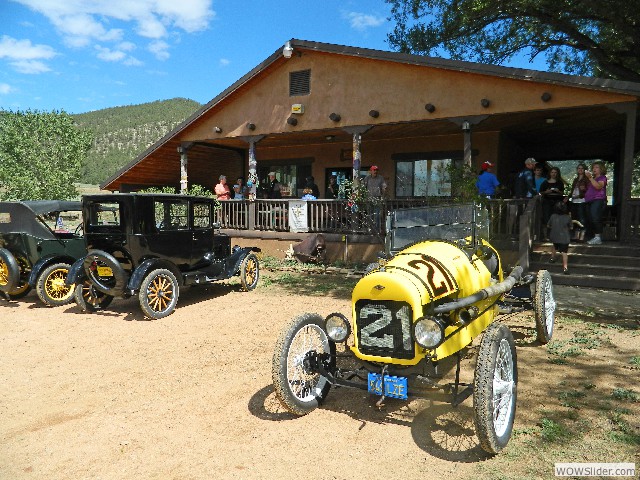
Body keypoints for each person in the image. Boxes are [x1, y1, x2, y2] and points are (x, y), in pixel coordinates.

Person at [584, 161, 608, 245]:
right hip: (589, 201)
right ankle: (594, 237)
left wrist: (590, 177)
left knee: (595, 218)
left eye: (596, 167)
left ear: (601, 169)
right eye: (593, 167)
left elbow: (598, 186)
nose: (594, 169)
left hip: (598, 200)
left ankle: (598, 238)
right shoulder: (593, 179)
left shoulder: (602, 177)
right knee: (590, 219)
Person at [547, 201, 572, 274]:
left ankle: (552, 258)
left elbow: (548, 225)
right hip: (564, 238)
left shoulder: (553, 216)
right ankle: (565, 268)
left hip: (554, 236)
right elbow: (571, 227)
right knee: (564, 252)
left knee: (554, 246)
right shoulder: (568, 217)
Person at [362, 165, 387, 233]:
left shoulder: (380, 178)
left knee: (377, 215)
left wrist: (383, 196)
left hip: (377, 199)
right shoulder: (367, 178)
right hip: (368, 199)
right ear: (371, 171)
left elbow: (384, 187)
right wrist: (363, 197)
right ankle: (370, 230)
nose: (375, 171)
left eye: (376, 170)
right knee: (370, 215)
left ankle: (377, 230)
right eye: (374, 170)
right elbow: (363, 187)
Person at [569, 164, 589, 241]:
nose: (580, 169)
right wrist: (569, 196)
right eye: (579, 168)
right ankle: (576, 235)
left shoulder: (586, 179)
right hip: (574, 201)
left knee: (582, 218)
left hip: (582, 200)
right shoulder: (575, 179)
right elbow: (572, 190)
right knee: (575, 218)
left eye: (582, 168)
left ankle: (582, 235)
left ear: (585, 169)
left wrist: (581, 193)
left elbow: (588, 191)